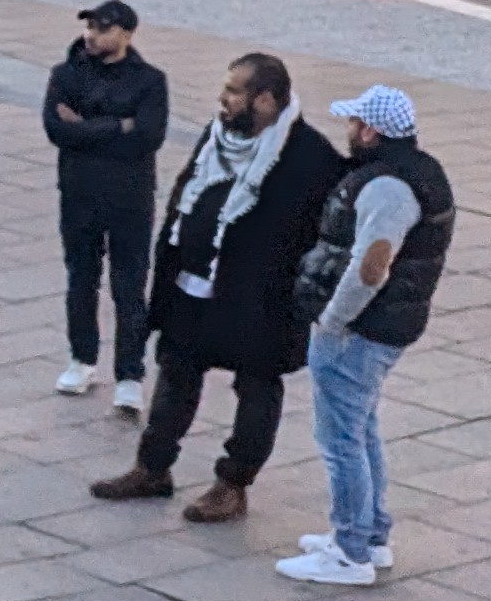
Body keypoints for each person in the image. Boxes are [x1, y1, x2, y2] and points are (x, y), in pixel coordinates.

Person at [93, 54, 344, 531]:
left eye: (233, 91)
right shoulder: (219, 137)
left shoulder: (310, 156)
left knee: (256, 387)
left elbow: (328, 236)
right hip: (193, 288)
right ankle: (153, 467)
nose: (222, 99)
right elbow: (186, 198)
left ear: (266, 100)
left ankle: (233, 484)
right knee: (175, 374)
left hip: (260, 305)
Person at [281, 85, 456, 588]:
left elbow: (371, 267)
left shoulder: (386, 187)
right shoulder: (421, 171)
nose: (349, 131)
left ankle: (349, 550)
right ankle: (372, 535)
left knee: (340, 440)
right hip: (386, 325)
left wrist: (334, 320)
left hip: (361, 330)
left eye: (354, 123)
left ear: (372, 130)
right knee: (361, 429)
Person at [42, 0, 169, 412]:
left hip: (130, 198)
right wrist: (119, 125)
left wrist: (88, 127)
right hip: (79, 193)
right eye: (90, 27)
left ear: (127, 35)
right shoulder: (65, 75)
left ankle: (130, 373)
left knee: (129, 285)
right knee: (81, 278)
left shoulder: (150, 81)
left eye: (103, 28)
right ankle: (82, 359)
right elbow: (57, 129)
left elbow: (149, 135)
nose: (92, 35)